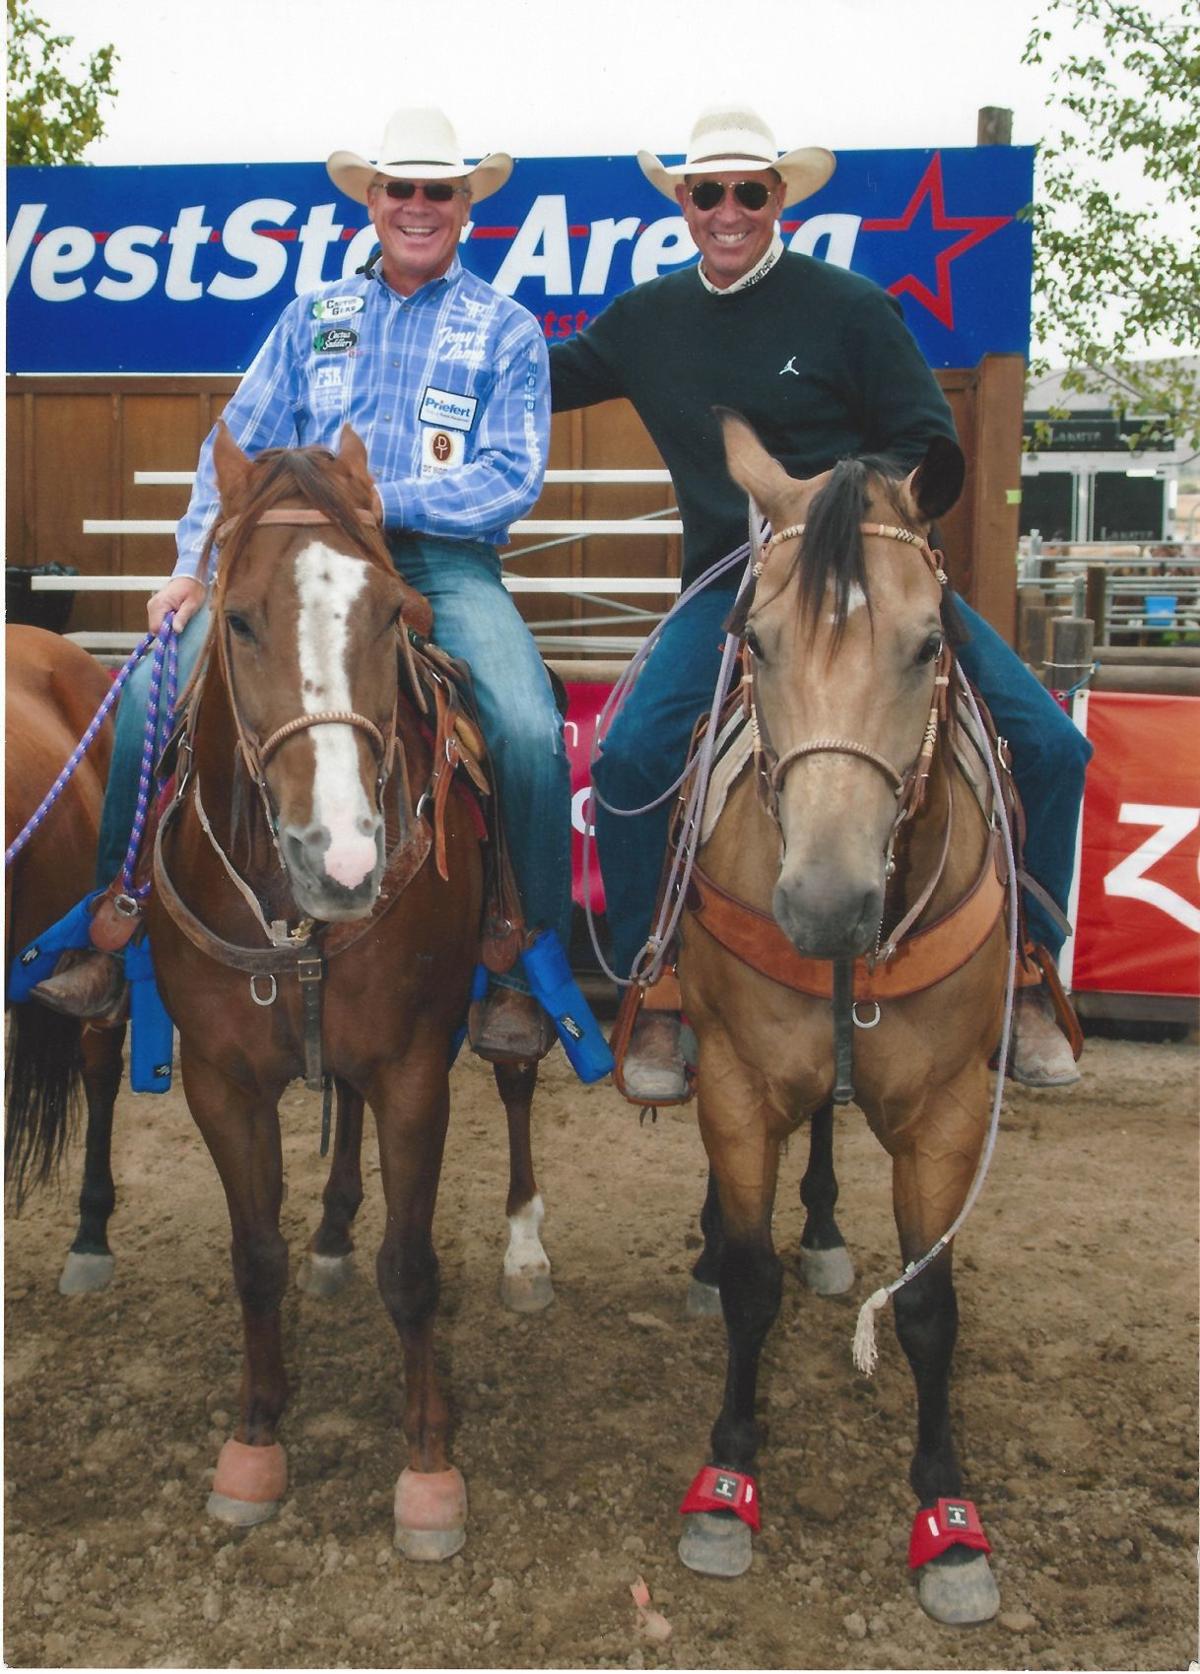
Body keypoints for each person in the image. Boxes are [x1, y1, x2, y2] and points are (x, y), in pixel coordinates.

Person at [549, 104, 1091, 1096]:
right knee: (628, 760)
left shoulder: (850, 309)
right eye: (707, 192)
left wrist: (819, 506)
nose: (727, 209)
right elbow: (536, 379)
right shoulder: (646, 320)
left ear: (778, 199)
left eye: (748, 191)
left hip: (871, 580)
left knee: (1055, 748)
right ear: (683, 203)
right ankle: (654, 981)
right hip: (732, 584)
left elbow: (926, 441)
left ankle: (1027, 966)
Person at [36, 106, 572, 1063]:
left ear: (466, 206)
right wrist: (192, 568)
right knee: (151, 692)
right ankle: (115, 915)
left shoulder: (506, 328)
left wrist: (377, 501)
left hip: (442, 562)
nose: (417, 205)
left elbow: (510, 476)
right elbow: (232, 448)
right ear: (373, 201)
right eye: (400, 188)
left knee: (528, 729)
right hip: (291, 571)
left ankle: (522, 954)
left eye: (438, 190)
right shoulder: (314, 317)